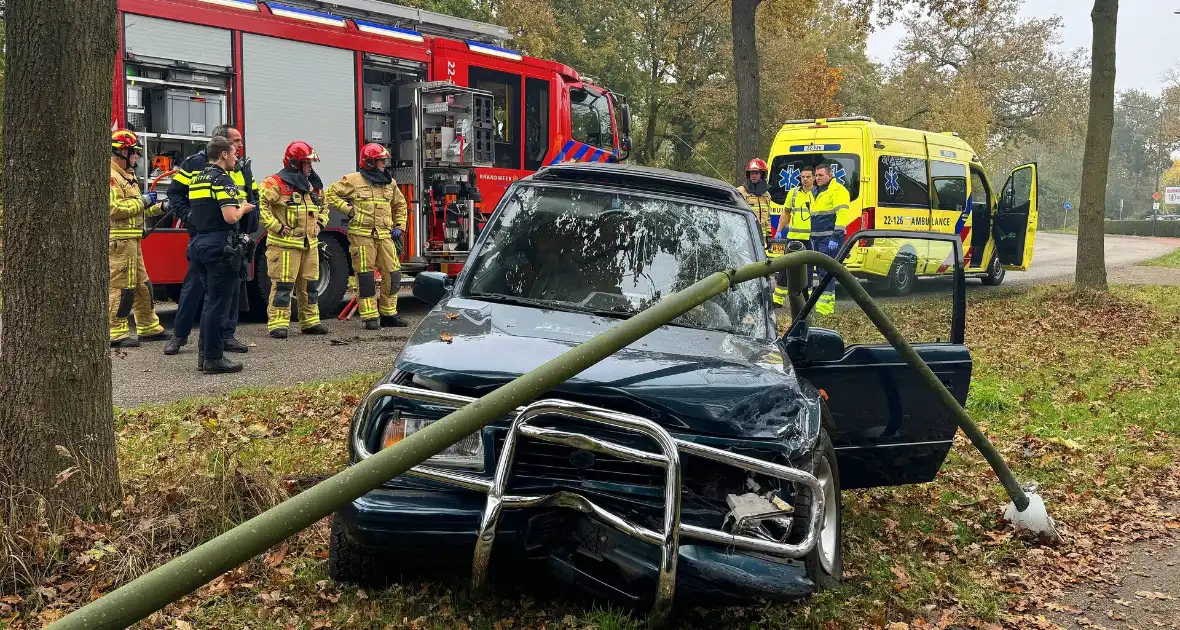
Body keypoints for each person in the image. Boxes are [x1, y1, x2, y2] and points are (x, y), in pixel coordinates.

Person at [164, 124, 259, 356]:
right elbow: (175, 194)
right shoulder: (195, 164)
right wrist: (190, 218)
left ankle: (227, 336)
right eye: (235, 141)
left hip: (233, 236)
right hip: (209, 236)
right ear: (222, 145)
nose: (240, 146)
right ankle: (180, 336)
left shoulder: (241, 166)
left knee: (231, 291)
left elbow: (252, 194)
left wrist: (249, 226)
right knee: (194, 288)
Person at [187, 135, 255, 373]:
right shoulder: (222, 179)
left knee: (209, 302)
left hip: (199, 244)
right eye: (234, 153)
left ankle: (204, 355)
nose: (237, 157)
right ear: (223, 154)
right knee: (219, 304)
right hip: (219, 246)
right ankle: (214, 358)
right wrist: (243, 208)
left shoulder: (197, 178)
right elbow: (230, 217)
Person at [325, 143, 410, 329]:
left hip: (385, 235)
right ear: (370, 162)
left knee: (393, 274)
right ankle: (370, 316)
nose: (383, 164)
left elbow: (400, 205)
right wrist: (348, 210)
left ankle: (389, 314)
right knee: (365, 276)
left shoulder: (390, 183)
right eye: (380, 161)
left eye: (384, 160)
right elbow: (330, 194)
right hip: (361, 236)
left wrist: (400, 226)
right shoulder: (354, 180)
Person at [258, 141, 330, 338]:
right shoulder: (275, 183)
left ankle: (310, 322)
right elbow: (260, 206)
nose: (310, 167)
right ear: (295, 163)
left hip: (310, 245)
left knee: (310, 285)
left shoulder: (313, 185)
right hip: (284, 247)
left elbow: (325, 207)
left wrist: (320, 224)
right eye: (307, 163)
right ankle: (278, 324)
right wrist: (277, 227)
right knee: (283, 286)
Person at [109, 129, 171, 348]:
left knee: (142, 285)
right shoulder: (111, 177)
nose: (136, 156)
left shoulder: (128, 176)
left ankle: (148, 326)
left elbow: (137, 209)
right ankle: (115, 332)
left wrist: (161, 207)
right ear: (122, 152)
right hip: (119, 242)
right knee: (121, 287)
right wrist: (143, 202)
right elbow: (113, 209)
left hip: (132, 240)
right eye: (134, 152)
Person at [809, 163, 851, 316]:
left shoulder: (838, 191)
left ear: (830, 175)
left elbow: (842, 216)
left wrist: (836, 237)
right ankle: (820, 307)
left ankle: (826, 309)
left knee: (826, 272)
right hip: (817, 238)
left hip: (829, 239)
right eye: (816, 175)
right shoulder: (816, 191)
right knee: (819, 273)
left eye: (821, 175)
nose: (817, 178)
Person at [772, 165, 816, 307]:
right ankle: (777, 300)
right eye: (802, 177)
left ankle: (805, 301)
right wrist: (779, 230)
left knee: (808, 271)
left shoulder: (818, 194)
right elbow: (786, 212)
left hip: (810, 238)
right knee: (785, 269)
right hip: (793, 237)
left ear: (814, 177)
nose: (805, 180)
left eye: (808, 177)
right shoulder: (794, 193)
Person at [737, 158, 774, 248]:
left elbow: (768, 217)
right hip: (746, 237)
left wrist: (769, 235)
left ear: (762, 174)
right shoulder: (741, 191)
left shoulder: (766, 195)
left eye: (756, 173)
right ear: (748, 175)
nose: (754, 175)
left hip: (762, 239)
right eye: (752, 173)